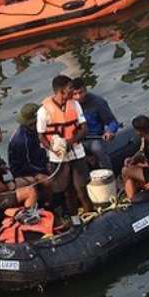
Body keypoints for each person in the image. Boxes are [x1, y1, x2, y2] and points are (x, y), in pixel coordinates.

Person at [37, 75, 94, 221]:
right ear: (61, 91)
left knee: (81, 187)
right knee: (68, 191)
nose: (72, 91)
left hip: (77, 152)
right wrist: (53, 148)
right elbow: (42, 136)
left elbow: (84, 128)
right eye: (70, 88)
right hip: (58, 157)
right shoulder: (43, 112)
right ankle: (75, 220)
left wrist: (70, 141)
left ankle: (90, 215)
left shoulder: (74, 105)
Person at [0, 121, 38, 211]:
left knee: (31, 180)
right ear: (0, 135)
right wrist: (7, 188)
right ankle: (29, 218)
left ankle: (32, 206)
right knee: (30, 191)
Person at [70, 78, 120, 170]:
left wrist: (109, 131)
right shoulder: (68, 105)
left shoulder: (98, 102)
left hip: (94, 138)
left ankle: (109, 173)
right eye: (74, 94)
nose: (78, 97)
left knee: (98, 149)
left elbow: (112, 122)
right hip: (76, 140)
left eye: (81, 92)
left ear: (85, 89)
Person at [8, 103, 50, 186]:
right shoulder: (22, 141)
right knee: (50, 181)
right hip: (25, 171)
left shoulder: (34, 131)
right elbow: (26, 164)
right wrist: (44, 170)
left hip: (38, 161)